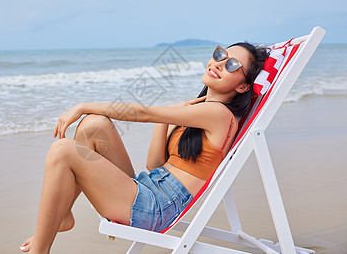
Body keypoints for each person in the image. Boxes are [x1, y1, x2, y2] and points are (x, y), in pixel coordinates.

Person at [20, 42, 268, 253]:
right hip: (149, 187)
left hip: (156, 208)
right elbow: (154, 165)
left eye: (232, 65)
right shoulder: (196, 111)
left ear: (243, 86)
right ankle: (63, 215)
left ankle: (41, 249)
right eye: (219, 55)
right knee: (94, 125)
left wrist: (84, 105)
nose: (219, 63)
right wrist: (167, 119)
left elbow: (142, 112)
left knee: (63, 149)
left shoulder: (220, 115)